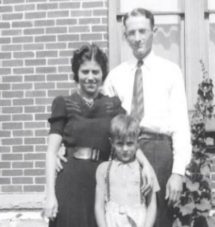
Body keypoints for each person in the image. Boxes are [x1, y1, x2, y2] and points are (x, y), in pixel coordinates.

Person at [43, 44, 154, 227]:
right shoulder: (64, 103)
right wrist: (50, 196)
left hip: (102, 180)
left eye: (96, 72)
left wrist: (146, 164)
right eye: (85, 72)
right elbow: (51, 152)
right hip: (71, 179)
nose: (90, 77)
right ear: (76, 74)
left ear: (103, 74)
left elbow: (130, 137)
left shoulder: (112, 105)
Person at [103, 8, 192, 227]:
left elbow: (181, 124)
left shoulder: (170, 71)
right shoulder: (115, 76)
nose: (137, 38)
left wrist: (178, 173)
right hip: (124, 151)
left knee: (158, 220)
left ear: (154, 31)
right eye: (131, 33)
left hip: (158, 151)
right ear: (125, 36)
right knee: (123, 217)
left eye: (142, 31)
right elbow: (101, 121)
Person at [95, 114, 158, 227]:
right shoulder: (104, 169)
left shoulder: (145, 171)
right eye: (119, 144)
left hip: (138, 222)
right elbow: (99, 206)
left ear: (137, 142)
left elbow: (152, 204)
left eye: (129, 143)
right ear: (112, 143)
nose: (125, 149)